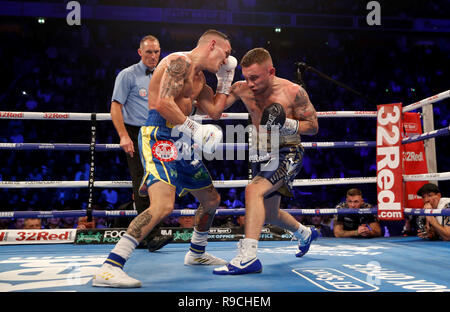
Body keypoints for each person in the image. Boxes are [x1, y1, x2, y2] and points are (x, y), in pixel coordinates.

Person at [93, 29, 237, 288]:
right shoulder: (178, 62)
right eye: (225, 54)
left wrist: (228, 83)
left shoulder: (201, 79)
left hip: (179, 139)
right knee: (162, 205)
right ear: (212, 44)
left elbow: (215, 111)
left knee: (211, 199)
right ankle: (110, 267)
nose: (226, 61)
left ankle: (196, 253)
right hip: (158, 134)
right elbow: (162, 103)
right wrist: (195, 129)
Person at [213, 47, 320, 275]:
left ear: (271, 71)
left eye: (255, 78)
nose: (250, 83)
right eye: (246, 77)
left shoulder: (293, 92)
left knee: (253, 191)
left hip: (287, 150)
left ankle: (249, 256)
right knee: (270, 213)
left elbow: (313, 127)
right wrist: (222, 79)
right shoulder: (241, 88)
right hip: (259, 152)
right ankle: (305, 233)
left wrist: (287, 123)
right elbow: (214, 110)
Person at [110, 34, 171, 252]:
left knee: (160, 181)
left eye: (156, 52)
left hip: (160, 133)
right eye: (149, 52)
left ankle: (151, 232)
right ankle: (150, 236)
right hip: (136, 133)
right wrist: (123, 135)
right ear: (140, 52)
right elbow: (115, 107)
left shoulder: (165, 75)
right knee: (142, 183)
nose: (154, 56)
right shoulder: (127, 75)